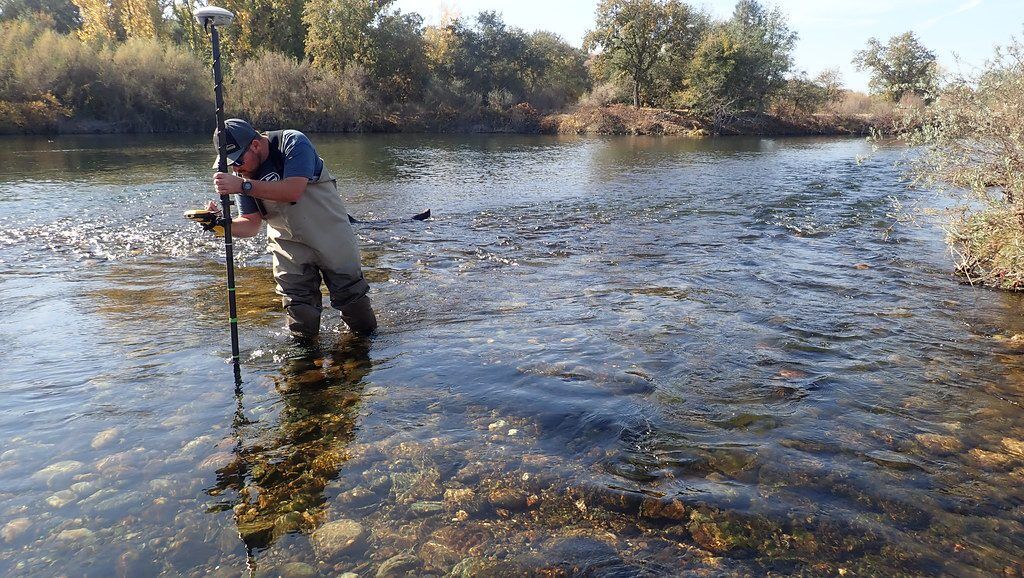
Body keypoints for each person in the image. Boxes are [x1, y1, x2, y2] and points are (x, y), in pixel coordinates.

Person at [207, 118, 377, 337]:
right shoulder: (243, 177)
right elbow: (250, 225)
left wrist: (242, 186)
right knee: (301, 321)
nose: (236, 168)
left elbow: (293, 190)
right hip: (288, 248)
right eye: (231, 165)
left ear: (256, 145)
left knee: (357, 314)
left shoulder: (292, 142)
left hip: (331, 237)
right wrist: (218, 225)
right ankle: (305, 366)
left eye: (238, 160)